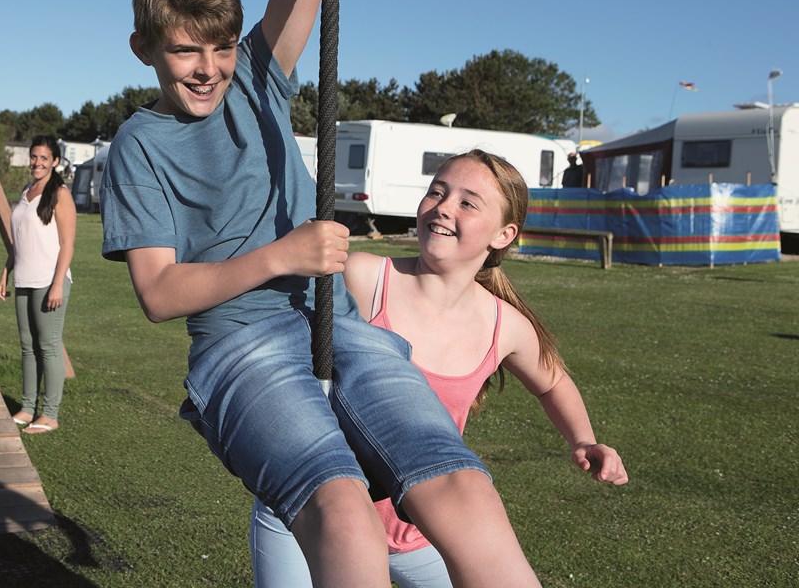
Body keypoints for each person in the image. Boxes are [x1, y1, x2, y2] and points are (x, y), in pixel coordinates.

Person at [99, 0, 540, 586]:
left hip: (332, 323)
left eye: (224, 46)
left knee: (460, 484)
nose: (209, 68)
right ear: (144, 49)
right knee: (342, 512)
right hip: (238, 347)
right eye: (185, 51)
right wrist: (282, 255)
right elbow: (161, 293)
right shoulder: (142, 144)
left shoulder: (259, 82)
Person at [249, 149, 629, 588]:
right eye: (437, 191)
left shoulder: (504, 326)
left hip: (419, 526)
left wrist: (583, 440)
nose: (444, 207)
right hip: (309, 513)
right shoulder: (365, 278)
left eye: (468, 202)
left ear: (503, 234)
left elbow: (553, 382)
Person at [0, 136, 77, 435]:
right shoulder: (26, 192)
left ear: (55, 161)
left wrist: (58, 283)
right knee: (28, 348)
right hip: (24, 280)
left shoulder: (60, 193)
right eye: (34, 157)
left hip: (49, 281)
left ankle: (50, 414)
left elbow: (68, 244)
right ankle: (27, 408)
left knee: (48, 346)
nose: (37, 163)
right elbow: (19, 242)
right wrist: (6, 271)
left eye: (44, 158)